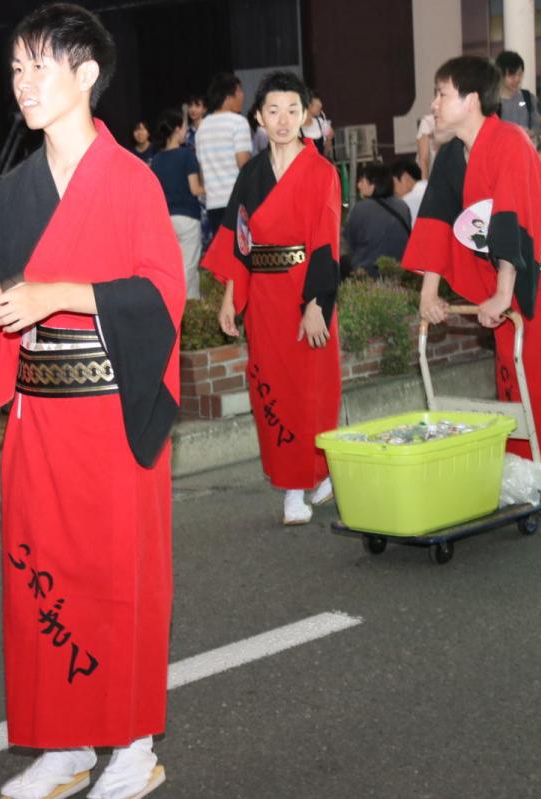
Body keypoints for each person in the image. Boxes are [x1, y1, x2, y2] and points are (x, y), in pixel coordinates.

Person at [0, 5, 183, 797]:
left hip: (111, 416)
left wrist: (58, 293)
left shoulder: (133, 182)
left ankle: (132, 743)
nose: (23, 84)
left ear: (86, 75)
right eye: (15, 69)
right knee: (38, 576)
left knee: (118, 579)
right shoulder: (14, 190)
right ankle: (63, 740)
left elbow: (159, 300)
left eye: (38, 66)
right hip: (39, 417)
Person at [403, 55, 541, 503]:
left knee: (538, 379)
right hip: (507, 274)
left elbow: (511, 221)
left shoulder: (511, 142)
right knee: (511, 378)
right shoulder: (449, 157)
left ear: (472, 99)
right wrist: (428, 292)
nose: (434, 104)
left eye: (442, 94)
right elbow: (436, 222)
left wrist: (503, 293)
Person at [201, 71, 342, 526]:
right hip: (264, 298)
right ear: (259, 118)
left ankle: (316, 474)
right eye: (273, 111)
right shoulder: (252, 174)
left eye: (293, 111)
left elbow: (326, 241)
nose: (283, 121)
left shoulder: (321, 171)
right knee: (274, 393)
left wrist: (317, 303)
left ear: (306, 115)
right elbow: (239, 241)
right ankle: (291, 486)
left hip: (308, 293)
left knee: (313, 390)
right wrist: (230, 299)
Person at [150, 108, 205, 299]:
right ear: (177, 129)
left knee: (172, 265)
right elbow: (194, 189)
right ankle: (187, 305)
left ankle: (174, 298)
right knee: (189, 264)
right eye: (183, 127)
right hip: (188, 217)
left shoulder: (156, 159)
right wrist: (208, 188)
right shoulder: (187, 155)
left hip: (165, 219)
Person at [196, 72, 252, 238]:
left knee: (223, 260)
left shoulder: (202, 127)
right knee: (242, 257)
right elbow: (244, 164)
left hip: (213, 204)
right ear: (229, 96)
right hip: (237, 202)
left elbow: (201, 174)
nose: (243, 95)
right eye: (240, 91)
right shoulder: (238, 122)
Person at [343, 162, 411, 277]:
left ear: (373, 185)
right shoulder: (402, 206)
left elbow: (350, 241)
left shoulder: (360, 209)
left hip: (368, 273)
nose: (358, 185)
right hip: (400, 271)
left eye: (362, 181)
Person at [495, 50, 541, 146]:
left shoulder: (528, 98)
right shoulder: (493, 103)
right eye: (511, 76)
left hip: (526, 153)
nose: (517, 79)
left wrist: (531, 132)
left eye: (519, 74)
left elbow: (537, 127)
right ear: (500, 75)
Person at [300, 91, 333, 156]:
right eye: (318, 104)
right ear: (308, 105)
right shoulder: (296, 129)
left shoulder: (320, 122)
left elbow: (325, 153)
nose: (321, 105)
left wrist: (329, 139)